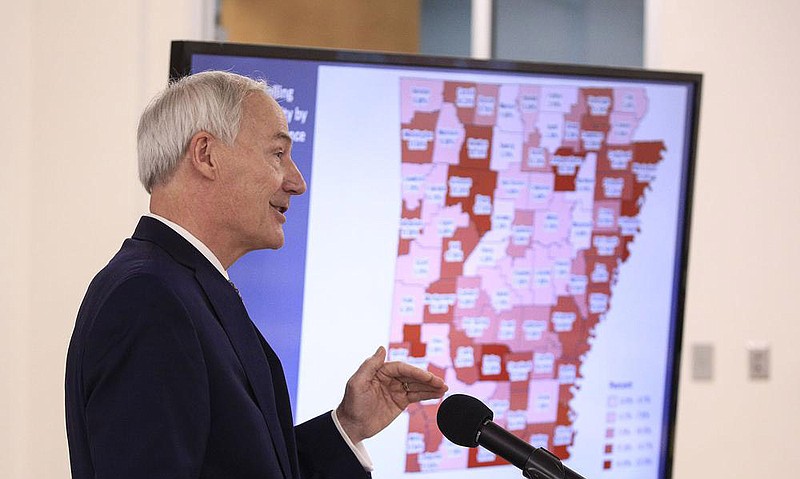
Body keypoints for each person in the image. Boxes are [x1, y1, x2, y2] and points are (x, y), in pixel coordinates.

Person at [65, 71, 448, 479]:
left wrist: (347, 426)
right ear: (206, 155)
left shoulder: (180, 287)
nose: (297, 182)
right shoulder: (148, 298)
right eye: (277, 154)